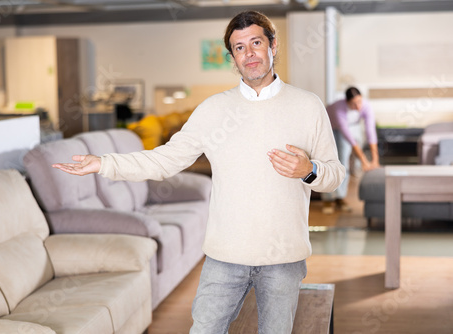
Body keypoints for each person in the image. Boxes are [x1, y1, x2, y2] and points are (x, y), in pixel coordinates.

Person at [53, 10, 344, 334]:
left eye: (256, 43)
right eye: (239, 47)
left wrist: (309, 169)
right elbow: (164, 160)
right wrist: (105, 163)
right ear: (232, 57)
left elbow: (335, 174)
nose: (249, 54)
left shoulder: (308, 106)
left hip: (283, 258)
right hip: (225, 257)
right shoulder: (212, 110)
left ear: (273, 46)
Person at [321, 87, 380, 214]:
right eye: (354, 104)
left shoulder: (366, 106)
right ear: (346, 101)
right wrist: (364, 160)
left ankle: (339, 197)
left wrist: (375, 160)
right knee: (329, 161)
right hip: (328, 129)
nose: (358, 107)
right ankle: (328, 199)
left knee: (344, 163)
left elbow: (371, 132)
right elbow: (349, 138)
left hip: (346, 129)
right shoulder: (339, 108)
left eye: (359, 102)